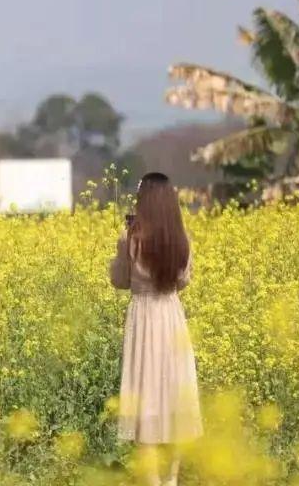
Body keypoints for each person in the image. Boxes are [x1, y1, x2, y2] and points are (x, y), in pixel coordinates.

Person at [110, 173, 202, 486]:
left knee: (144, 398)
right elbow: (183, 281)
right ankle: (172, 478)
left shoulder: (130, 238)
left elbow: (119, 281)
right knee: (174, 395)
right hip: (171, 315)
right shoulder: (181, 239)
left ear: (144, 201)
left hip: (143, 317)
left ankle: (152, 481)